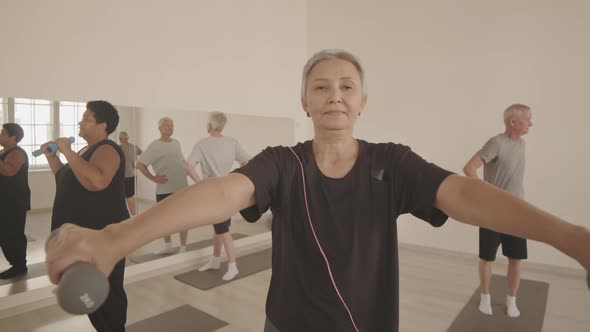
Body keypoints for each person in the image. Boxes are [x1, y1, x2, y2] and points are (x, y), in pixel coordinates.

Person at [45, 50, 590, 332]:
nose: (335, 95)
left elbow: (466, 196)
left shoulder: (392, 163)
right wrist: (117, 237)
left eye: (347, 86)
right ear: (304, 102)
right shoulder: (283, 164)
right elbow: (221, 195)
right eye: (321, 87)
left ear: (362, 102)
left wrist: (570, 237)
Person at [42, 101, 129, 331]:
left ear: (103, 126)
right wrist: (53, 157)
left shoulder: (108, 149)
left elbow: (97, 181)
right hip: (83, 238)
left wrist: (67, 150)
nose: (80, 122)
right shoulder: (83, 152)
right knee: (90, 292)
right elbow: (66, 179)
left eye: (86, 118)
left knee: (107, 294)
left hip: (102, 236)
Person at [463, 103, 533, 318]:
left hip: (516, 211)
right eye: (527, 119)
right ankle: (485, 298)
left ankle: (512, 301)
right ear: (513, 122)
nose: (531, 123)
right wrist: (487, 195)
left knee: (516, 258)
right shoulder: (496, 143)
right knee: (487, 257)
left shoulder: (521, 144)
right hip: (492, 212)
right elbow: (469, 168)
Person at [184, 111, 250, 280]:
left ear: (209, 125)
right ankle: (215, 260)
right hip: (228, 190)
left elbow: (188, 166)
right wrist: (235, 177)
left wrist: (200, 182)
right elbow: (247, 161)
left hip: (213, 193)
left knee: (222, 229)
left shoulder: (202, 144)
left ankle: (233, 265)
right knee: (219, 227)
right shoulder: (232, 142)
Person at [136, 117, 189, 254]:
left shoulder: (177, 143)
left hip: (182, 186)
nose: (171, 127)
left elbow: (181, 159)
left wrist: (186, 170)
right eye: (167, 125)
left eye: (172, 125)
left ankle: (183, 246)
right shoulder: (155, 145)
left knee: (183, 218)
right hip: (164, 188)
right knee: (165, 219)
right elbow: (139, 165)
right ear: (160, 128)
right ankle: (168, 246)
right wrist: (153, 178)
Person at [0, 123, 31, 279]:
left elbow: (9, 171)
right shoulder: (3, 152)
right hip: (4, 200)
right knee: (4, 233)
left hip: (14, 201)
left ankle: (19, 266)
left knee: (13, 233)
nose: (0, 135)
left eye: (3, 133)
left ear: (13, 137)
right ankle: (16, 263)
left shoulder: (17, 153)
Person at [118, 131, 142, 216]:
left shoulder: (118, 148)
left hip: (121, 176)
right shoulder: (134, 147)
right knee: (130, 196)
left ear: (120, 139)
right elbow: (142, 154)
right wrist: (135, 164)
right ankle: (134, 216)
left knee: (122, 197)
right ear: (127, 138)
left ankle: (127, 216)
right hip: (131, 175)